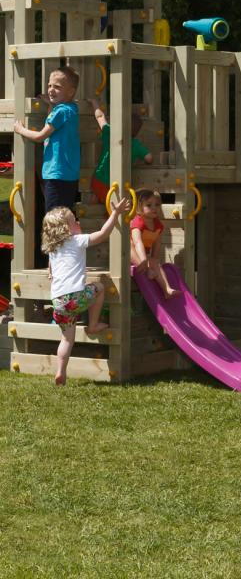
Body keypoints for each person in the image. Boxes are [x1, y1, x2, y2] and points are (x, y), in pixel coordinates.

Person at [41, 197, 130, 385]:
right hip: (74, 298)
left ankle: (60, 372)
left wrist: (51, 272)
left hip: (58, 303)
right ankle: (93, 324)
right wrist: (115, 213)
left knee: (66, 339)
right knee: (98, 287)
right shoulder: (76, 241)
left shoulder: (53, 248)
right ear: (66, 229)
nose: (78, 223)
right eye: (74, 221)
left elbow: (52, 267)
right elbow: (103, 234)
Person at [14, 66, 80, 212]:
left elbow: (40, 136)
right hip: (68, 174)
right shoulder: (71, 108)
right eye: (49, 85)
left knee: (53, 218)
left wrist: (21, 130)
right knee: (63, 217)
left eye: (57, 87)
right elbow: (56, 119)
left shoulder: (61, 111)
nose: (50, 90)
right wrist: (51, 104)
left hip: (56, 173)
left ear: (70, 92)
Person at [89, 97, 153, 204]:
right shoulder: (136, 145)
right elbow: (149, 158)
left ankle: (91, 208)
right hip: (115, 185)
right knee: (112, 205)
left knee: (95, 195)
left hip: (98, 180)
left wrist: (94, 102)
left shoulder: (109, 133)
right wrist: (144, 161)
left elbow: (100, 117)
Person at [130, 189, 180, 299]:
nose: (154, 207)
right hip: (131, 255)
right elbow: (137, 242)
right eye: (149, 205)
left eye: (157, 205)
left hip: (143, 256)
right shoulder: (138, 221)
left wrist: (154, 260)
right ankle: (148, 270)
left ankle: (167, 290)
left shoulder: (158, 225)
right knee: (128, 245)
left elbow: (157, 244)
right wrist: (143, 260)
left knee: (155, 262)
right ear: (139, 207)